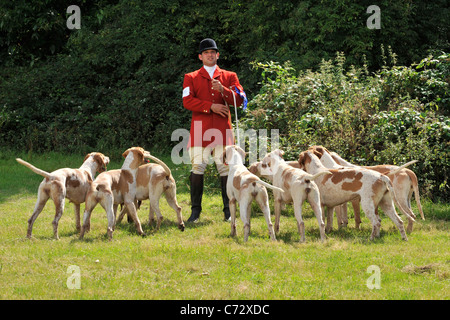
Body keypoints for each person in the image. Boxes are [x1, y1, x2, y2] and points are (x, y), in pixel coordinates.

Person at [182, 38, 245, 222]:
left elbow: (239, 101)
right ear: (200, 56)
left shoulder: (230, 76)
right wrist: (211, 106)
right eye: (206, 53)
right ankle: (195, 212)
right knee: (197, 168)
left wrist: (224, 90)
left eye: (213, 52)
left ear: (217, 55)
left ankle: (228, 211)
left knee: (225, 169)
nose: (210, 55)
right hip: (200, 129)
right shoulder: (190, 77)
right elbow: (187, 101)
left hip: (223, 130)